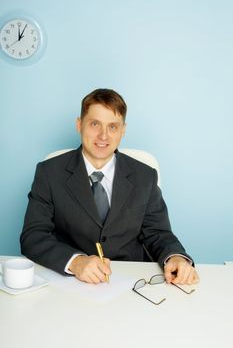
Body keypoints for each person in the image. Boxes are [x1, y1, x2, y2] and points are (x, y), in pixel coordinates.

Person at [20, 88, 199, 285]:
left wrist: (175, 257)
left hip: (131, 284)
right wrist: (76, 262)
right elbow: (33, 236)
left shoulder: (145, 176)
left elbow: (158, 234)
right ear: (79, 125)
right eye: (95, 124)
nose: (103, 135)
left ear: (123, 130)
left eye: (113, 127)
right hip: (70, 282)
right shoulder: (49, 172)